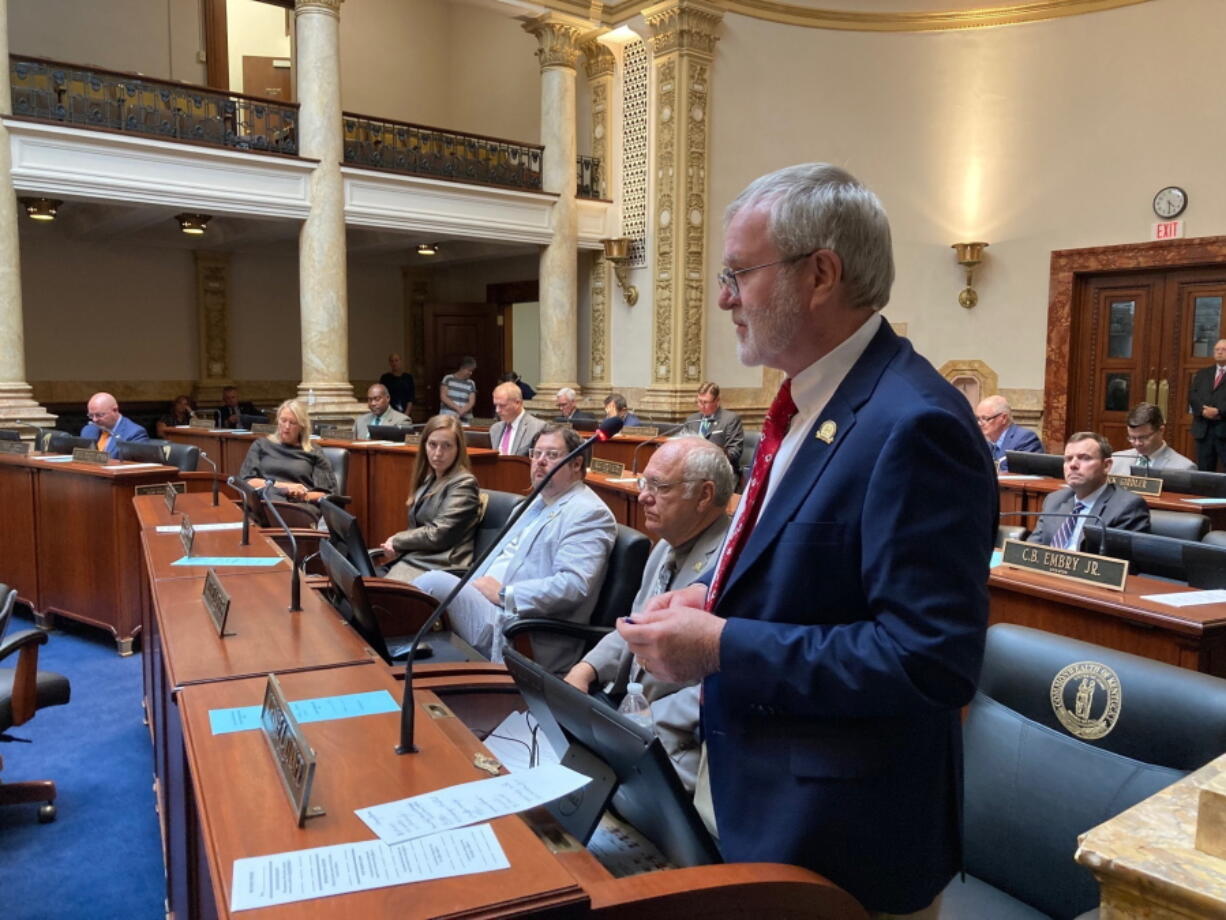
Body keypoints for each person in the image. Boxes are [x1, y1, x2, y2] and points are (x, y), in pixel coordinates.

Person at [615, 163, 997, 917]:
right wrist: (712, 595)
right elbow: (806, 579)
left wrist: (723, 644)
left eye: (737, 274)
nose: (724, 297)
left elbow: (929, 662)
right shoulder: (807, 400)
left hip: (845, 849)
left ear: (820, 273)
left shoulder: (915, 423)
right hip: (759, 803)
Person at [564, 437, 734, 792]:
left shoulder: (732, 564)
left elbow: (731, 678)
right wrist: (585, 669)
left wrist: (650, 720)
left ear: (704, 495)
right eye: (644, 483)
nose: (644, 495)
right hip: (628, 719)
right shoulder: (663, 548)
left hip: (683, 749)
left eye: (659, 486)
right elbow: (633, 624)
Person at [414, 424, 616, 674]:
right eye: (536, 453)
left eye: (551, 455)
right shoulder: (533, 502)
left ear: (576, 464)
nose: (540, 461)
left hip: (519, 628)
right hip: (489, 607)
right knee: (417, 593)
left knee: (430, 583)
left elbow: (573, 586)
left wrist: (505, 594)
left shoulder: (588, 512)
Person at [380, 415, 480, 582]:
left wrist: (397, 540)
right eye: (432, 445)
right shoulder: (431, 478)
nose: (438, 453)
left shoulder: (464, 483)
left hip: (441, 567)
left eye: (446, 446)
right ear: (424, 445)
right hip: (418, 560)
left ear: (458, 449)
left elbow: (439, 534)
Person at [1027, 431, 1150, 549]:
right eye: (1068, 459)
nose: (1073, 465)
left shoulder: (1127, 507)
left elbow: (1115, 564)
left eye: (1084, 458)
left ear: (1106, 466)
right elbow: (1031, 549)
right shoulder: (1054, 500)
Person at [237, 399, 337, 520]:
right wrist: (284, 487)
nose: (286, 427)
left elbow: (326, 493)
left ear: (302, 426)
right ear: (277, 420)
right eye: (283, 420)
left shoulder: (313, 451)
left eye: (293, 423)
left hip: (298, 506)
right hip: (264, 502)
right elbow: (247, 481)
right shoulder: (261, 445)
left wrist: (303, 496)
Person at [1111, 402, 1195, 472]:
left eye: (1144, 437)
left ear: (1161, 430)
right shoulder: (1115, 460)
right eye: (1132, 438)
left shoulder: (1184, 468)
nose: (1137, 443)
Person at [684, 382, 744, 467]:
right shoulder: (691, 420)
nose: (701, 406)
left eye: (706, 402)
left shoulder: (730, 419)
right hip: (693, 467)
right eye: (699, 401)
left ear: (717, 401)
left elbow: (734, 452)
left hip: (720, 469)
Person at [975, 394, 1043, 470]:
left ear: (1004, 418)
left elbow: (1025, 475)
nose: (979, 423)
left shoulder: (1026, 439)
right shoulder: (985, 443)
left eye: (985, 418)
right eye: (978, 419)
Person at [1189, 338, 1226, 471]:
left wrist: (1219, 411)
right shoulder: (1202, 373)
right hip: (1203, 430)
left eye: (1224, 350)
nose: (1220, 352)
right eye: (1217, 350)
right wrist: (1203, 411)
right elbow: (1193, 395)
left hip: (1223, 428)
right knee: (1204, 472)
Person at [81, 392, 150, 457]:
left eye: (99, 415)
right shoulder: (88, 430)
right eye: (91, 415)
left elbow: (137, 465)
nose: (94, 420)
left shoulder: (135, 433)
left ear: (115, 410)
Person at [489, 381, 545, 456]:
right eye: (496, 405)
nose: (497, 410)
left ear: (517, 403)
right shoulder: (495, 429)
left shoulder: (537, 428)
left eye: (502, 405)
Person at [439, 356, 477, 422]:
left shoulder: (471, 383)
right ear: (462, 368)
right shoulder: (448, 378)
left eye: (472, 371)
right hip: (448, 416)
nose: (471, 373)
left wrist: (462, 411)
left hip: (466, 419)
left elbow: (471, 401)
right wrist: (458, 409)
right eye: (469, 370)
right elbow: (443, 397)